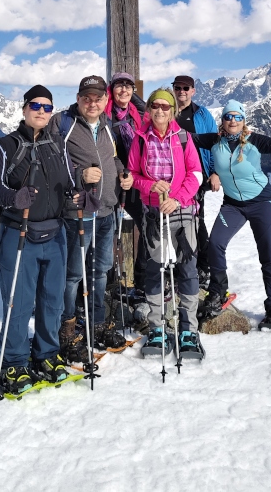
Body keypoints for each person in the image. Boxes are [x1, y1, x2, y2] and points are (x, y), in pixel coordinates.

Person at [0, 84, 74, 396]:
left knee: (52, 300)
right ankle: (14, 360)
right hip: (19, 233)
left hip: (55, 234)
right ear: (24, 109)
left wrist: (79, 196)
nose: (41, 111)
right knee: (18, 302)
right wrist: (14, 197)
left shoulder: (57, 145)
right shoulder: (5, 146)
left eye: (47, 107)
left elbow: (69, 182)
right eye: (35, 105)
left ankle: (47, 354)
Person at [192, 99, 271, 331]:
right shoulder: (214, 140)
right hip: (233, 204)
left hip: (261, 202)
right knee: (215, 244)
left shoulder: (254, 140)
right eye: (228, 116)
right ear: (222, 120)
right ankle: (218, 292)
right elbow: (185, 138)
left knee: (267, 254)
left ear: (244, 120)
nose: (233, 120)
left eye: (238, 117)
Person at [50, 75, 134, 360]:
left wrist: (123, 173)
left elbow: (113, 158)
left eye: (98, 98)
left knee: (100, 270)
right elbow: (50, 162)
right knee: (73, 274)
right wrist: (78, 176)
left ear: (105, 100)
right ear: (78, 98)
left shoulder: (108, 126)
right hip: (78, 213)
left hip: (107, 210)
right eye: (87, 98)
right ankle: (68, 329)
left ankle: (97, 324)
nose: (92, 103)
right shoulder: (63, 124)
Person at [128, 88, 205, 358]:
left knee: (187, 267)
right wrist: (150, 185)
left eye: (165, 106)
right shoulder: (140, 139)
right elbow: (134, 175)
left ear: (172, 111)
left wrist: (179, 198)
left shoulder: (183, 138)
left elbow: (195, 174)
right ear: (148, 109)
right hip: (153, 211)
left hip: (181, 210)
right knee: (155, 268)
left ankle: (188, 329)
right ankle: (157, 326)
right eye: (155, 106)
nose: (160, 111)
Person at [172, 75, 219, 288]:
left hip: (196, 177)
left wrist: (214, 172)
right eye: (178, 87)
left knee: (197, 221)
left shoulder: (202, 114)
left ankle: (204, 266)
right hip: (170, 177)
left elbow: (215, 143)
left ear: (193, 91)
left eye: (186, 88)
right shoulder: (167, 110)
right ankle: (178, 266)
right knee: (172, 223)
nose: (181, 91)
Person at [105, 72, 147, 295]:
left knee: (148, 227)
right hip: (109, 180)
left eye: (128, 86)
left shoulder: (137, 113)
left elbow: (150, 112)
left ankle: (141, 281)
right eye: (119, 86)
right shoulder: (104, 113)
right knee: (107, 232)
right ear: (111, 89)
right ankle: (109, 281)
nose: (124, 90)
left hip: (136, 179)